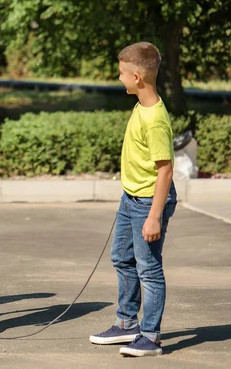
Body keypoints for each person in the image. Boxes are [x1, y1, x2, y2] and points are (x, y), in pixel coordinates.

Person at [89, 42, 177, 356]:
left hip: (148, 203)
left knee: (149, 269)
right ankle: (127, 324)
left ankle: (150, 338)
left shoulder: (154, 118)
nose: (119, 77)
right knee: (122, 259)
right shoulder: (141, 105)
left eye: (122, 73)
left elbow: (165, 171)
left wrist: (154, 215)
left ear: (137, 77)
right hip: (131, 199)